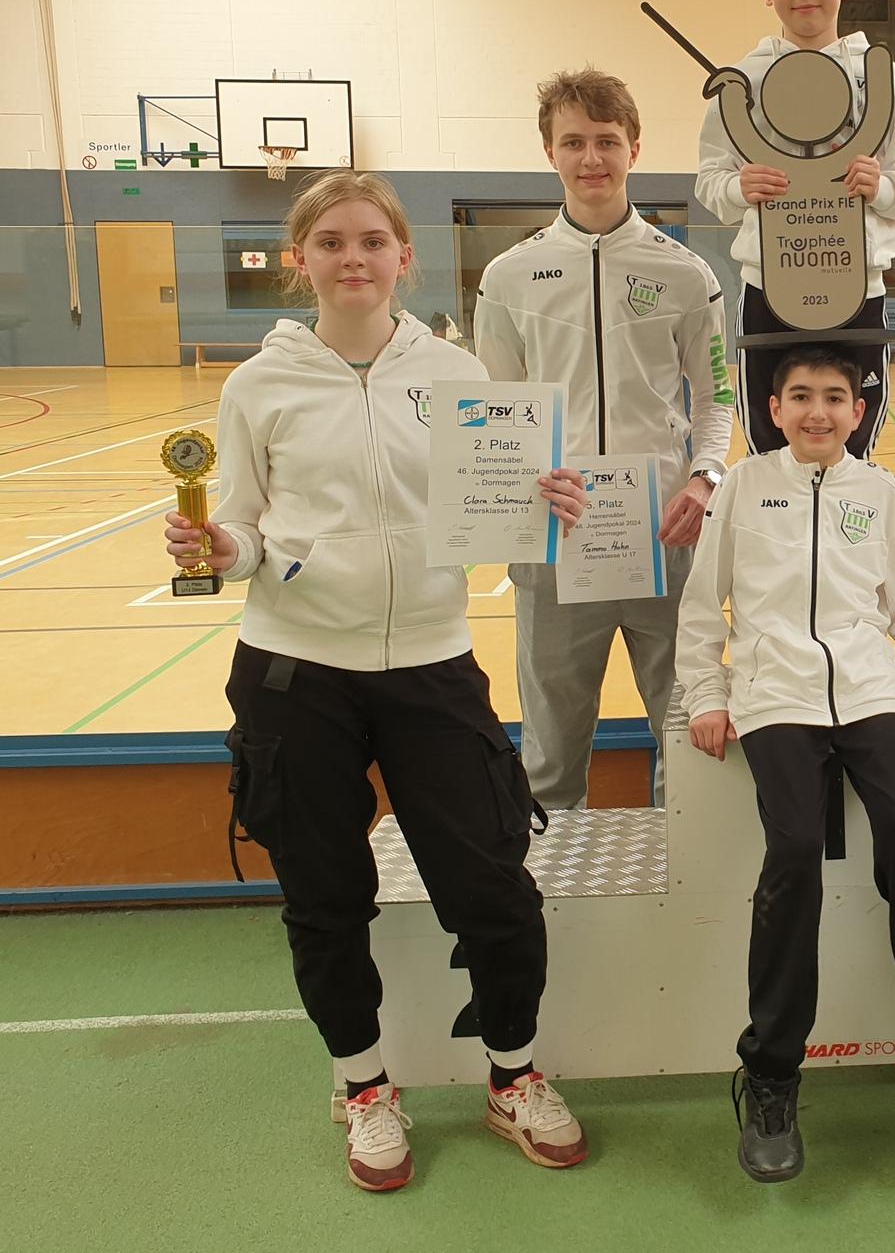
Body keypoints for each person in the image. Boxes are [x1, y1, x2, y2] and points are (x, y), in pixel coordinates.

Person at [165, 171, 589, 1192]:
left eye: (372, 240)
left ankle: (513, 1071)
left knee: (491, 883)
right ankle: (362, 1084)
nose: (352, 257)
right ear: (300, 260)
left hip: (432, 665)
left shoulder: (455, 369)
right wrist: (216, 543)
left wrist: (543, 495)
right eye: (331, 242)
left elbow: (491, 499)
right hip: (294, 670)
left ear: (404, 254)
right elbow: (246, 529)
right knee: (324, 893)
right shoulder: (258, 384)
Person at [675, 344, 895, 1183]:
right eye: (801, 396)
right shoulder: (743, 486)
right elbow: (704, 606)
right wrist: (707, 693)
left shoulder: (879, 492)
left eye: (835, 397)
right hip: (776, 697)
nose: (817, 410)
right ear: (773, 409)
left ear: (858, 411)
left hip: (870, 692)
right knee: (792, 858)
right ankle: (771, 1072)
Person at [474, 67, 735, 810]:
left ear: (635, 147)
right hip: (555, 539)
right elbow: (498, 411)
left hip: (665, 534)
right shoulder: (509, 276)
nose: (592, 157)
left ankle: (686, 900)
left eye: (607, 141)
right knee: (551, 753)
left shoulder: (685, 273)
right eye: (574, 142)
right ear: (549, 151)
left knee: (685, 737)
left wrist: (704, 478)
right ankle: (549, 912)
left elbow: (717, 397)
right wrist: (525, 486)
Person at [696, 0, 895, 459]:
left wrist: (882, 186)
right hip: (769, 292)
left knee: (853, 451)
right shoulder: (743, 80)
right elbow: (710, 181)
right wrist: (739, 188)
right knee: (768, 444)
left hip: (858, 291)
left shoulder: (884, 78)